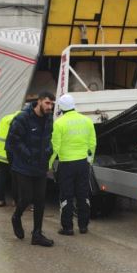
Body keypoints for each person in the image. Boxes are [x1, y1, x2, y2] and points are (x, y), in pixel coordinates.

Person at [5, 91, 56, 247]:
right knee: (26, 199)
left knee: (40, 200)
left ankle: (37, 234)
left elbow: (48, 138)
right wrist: (28, 155)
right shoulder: (23, 118)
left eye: (52, 104)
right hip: (23, 167)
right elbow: (12, 141)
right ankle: (16, 217)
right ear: (39, 102)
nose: (50, 107)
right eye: (47, 103)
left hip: (40, 166)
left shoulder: (49, 119)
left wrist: (49, 152)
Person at [49, 93, 96, 235]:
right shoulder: (87, 121)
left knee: (66, 195)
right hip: (83, 163)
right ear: (74, 106)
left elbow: (55, 147)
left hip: (66, 164)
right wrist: (89, 160)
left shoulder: (58, 123)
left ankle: (67, 227)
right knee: (83, 194)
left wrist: (48, 164)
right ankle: (83, 226)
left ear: (61, 108)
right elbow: (92, 143)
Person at [0, 110, 20, 207]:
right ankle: (15, 201)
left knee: (2, 177)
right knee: (15, 178)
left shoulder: (5, 118)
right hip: (12, 154)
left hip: (0, 152)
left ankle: (0, 200)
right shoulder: (22, 120)